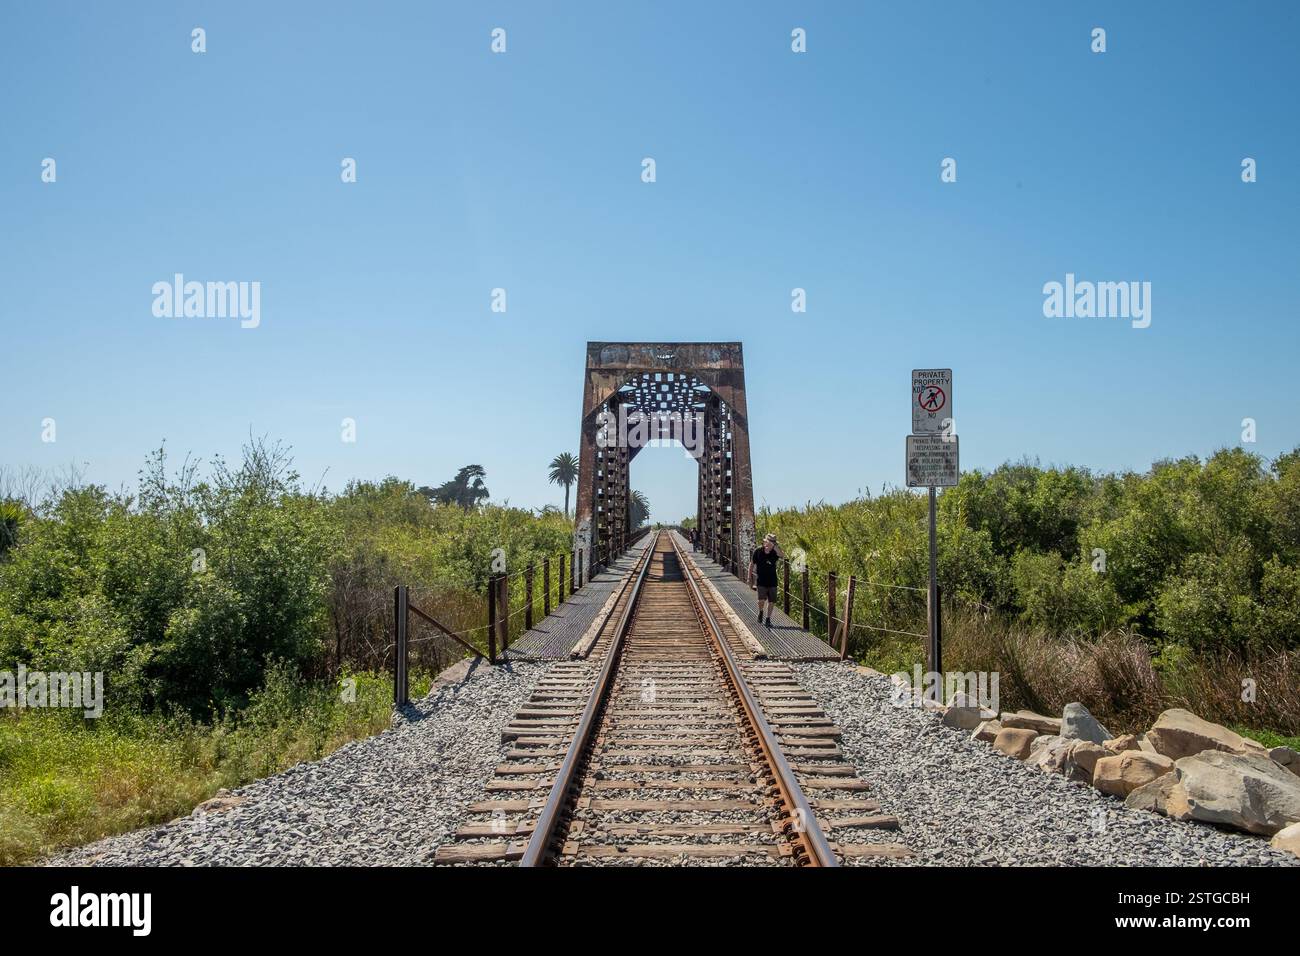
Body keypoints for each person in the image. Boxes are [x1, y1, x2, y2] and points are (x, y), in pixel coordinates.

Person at [749, 532, 783, 627]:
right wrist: (749, 577)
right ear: (765, 542)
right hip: (761, 580)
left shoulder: (774, 552)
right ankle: (760, 612)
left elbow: (782, 555)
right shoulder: (758, 551)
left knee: (772, 601)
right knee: (761, 600)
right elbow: (751, 564)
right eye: (769, 542)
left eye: (773, 542)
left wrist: (775, 546)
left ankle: (768, 619)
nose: (771, 544)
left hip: (772, 580)